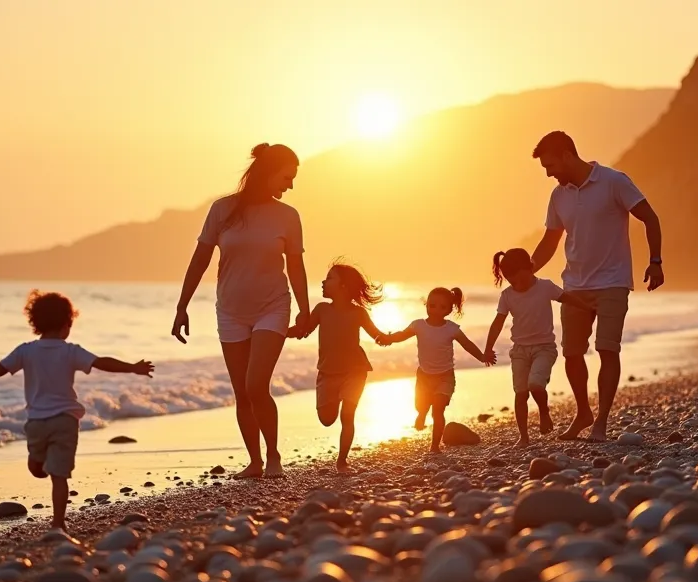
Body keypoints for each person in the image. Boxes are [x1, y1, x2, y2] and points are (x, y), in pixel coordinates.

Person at [0, 290, 154, 531]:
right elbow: (102, 362)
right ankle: (56, 515)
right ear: (66, 324)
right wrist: (133, 367)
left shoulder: (27, 350)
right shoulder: (68, 351)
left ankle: (58, 523)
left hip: (44, 422)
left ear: (35, 323)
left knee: (50, 474)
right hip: (61, 422)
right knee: (49, 473)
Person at [173, 143, 311, 479]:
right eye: (287, 176)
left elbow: (296, 266)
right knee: (242, 392)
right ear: (268, 171)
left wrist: (304, 311)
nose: (290, 185)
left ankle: (275, 456)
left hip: (272, 307)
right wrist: (182, 306)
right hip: (231, 311)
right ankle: (255, 461)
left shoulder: (288, 216)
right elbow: (200, 260)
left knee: (256, 385)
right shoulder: (222, 210)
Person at [528, 130, 664, 443]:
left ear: (566, 154)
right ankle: (583, 413)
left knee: (607, 349)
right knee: (572, 354)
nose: (548, 173)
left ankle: (601, 422)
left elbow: (650, 218)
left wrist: (655, 261)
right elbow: (550, 242)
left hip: (613, 282)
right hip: (574, 285)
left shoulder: (614, 181)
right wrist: (526, 274)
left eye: (550, 165)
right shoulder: (558, 196)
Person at [287, 262, 385, 474]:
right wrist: (276, 332)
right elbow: (303, 331)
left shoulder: (358, 313)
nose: (323, 282)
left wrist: (394, 336)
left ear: (343, 286)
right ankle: (336, 401)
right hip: (327, 373)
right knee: (326, 419)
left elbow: (376, 335)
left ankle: (342, 462)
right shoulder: (322, 310)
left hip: (355, 371)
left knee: (347, 415)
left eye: (329, 278)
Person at [378, 287, 493, 453]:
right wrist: (388, 338)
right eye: (432, 305)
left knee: (438, 409)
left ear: (449, 310)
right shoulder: (418, 325)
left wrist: (482, 356)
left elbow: (467, 344)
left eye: (442, 307)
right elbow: (401, 335)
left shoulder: (452, 328)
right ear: (426, 304)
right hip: (423, 376)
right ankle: (421, 413)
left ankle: (434, 446)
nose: (436, 310)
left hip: (445, 377)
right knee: (421, 405)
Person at [483, 248, 567, 449]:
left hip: (544, 348)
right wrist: (487, 348)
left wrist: (590, 307)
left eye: (520, 280)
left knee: (536, 384)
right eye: (512, 282)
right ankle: (523, 437)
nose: (517, 286)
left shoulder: (545, 287)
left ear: (530, 268)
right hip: (519, 350)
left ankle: (544, 412)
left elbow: (568, 298)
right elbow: (497, 323)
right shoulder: (507, 295)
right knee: (520, 393)